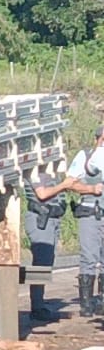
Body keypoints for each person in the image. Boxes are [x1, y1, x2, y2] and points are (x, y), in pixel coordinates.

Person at [24, 170, 74, 322]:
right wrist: (64, 185)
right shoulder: (33, 171)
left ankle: (40, 304)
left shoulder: (51, 170)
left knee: (47, 262)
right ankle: (37, 307)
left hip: (52, 219)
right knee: (41, 264)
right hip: (41, 219)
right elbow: (42, 194)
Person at [68, 124, 104, 316]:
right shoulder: (85, 156)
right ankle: (86, 303)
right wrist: (90, 189)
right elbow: (70, 182)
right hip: (90, 212)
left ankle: (102, 301)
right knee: (88, 257)